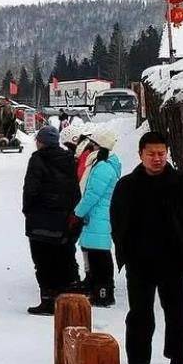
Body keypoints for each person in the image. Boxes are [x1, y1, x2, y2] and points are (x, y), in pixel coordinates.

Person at [110, 132, 183, 364]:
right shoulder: (128, 185)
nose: (157, 159)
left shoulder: (182, 183)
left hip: (174, 260)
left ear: (167, 153)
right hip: (140, 262)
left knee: (177, 311)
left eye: (161, 154)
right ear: (141, 154)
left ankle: (178, 357)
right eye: (151, 154)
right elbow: (117, 219)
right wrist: (125, 248)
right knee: (139, 315)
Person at [22, 125, 82, 315]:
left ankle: (48, 301)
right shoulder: (69, 160)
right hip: (64, 218)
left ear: (41, 142)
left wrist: (28, 211)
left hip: (40, 219)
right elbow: (75, 189)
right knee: (64, 258)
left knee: (43, 261)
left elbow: (30, 189)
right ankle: (69, 301)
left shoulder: (37, 159)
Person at [73, 128, 120, 307]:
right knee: (96, 255)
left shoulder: (102, 167)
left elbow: (92, 194)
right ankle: (98, 290)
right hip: (97, 216)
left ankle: (103, 293)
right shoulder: (103, 164)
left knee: (99, 257)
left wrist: (78, 212)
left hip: (98, 216)